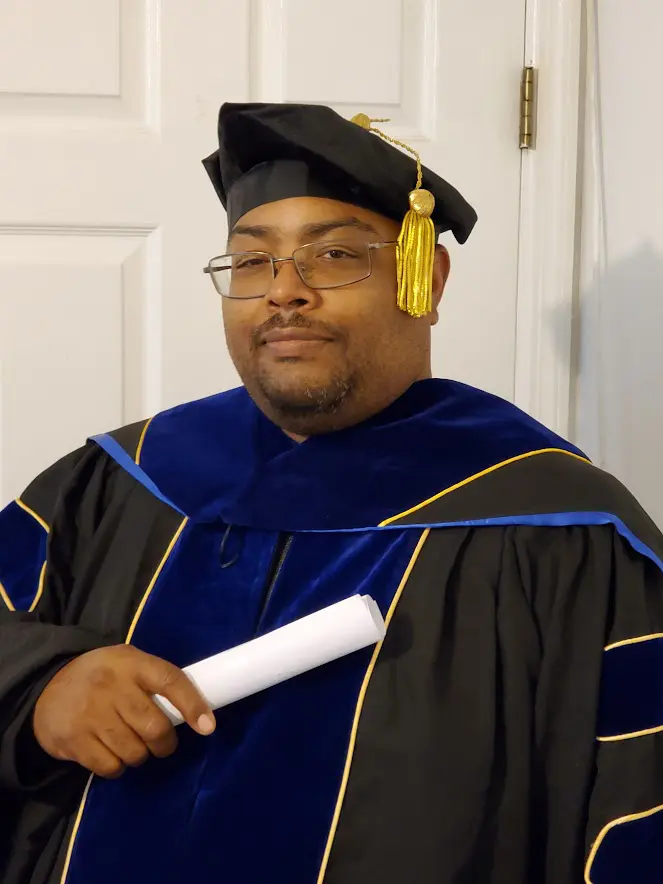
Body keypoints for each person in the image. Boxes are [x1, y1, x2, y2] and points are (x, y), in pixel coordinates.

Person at [1, 102, 662, 884]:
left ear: (426, 279)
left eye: (335, 254)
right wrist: (44, 684)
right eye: (252, 263)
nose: (285, 292)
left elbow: (631, 812)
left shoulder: (560, 530)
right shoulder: (116, 481)